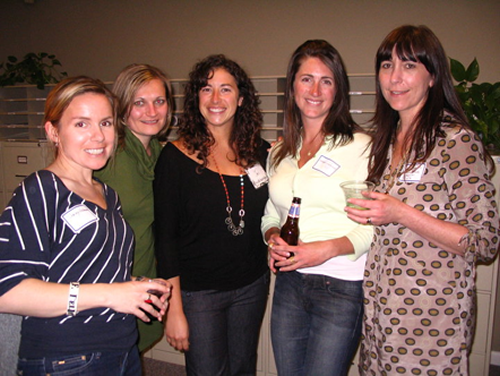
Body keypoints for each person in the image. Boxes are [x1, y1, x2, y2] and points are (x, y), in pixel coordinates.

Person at [344, 25, 500, 375]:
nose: (395, 78)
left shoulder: (455, 140)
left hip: (431, 320)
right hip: (382, 311)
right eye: (387, 66)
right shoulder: (386, 140)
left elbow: (485, 241)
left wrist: (399, 212)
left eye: (409, 65)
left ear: (432, 76)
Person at [0, 76, 171, 376]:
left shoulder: (107, 194)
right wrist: (111, 295)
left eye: (105, 123)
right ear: (53, 132)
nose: (98, 136)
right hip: (66, 358)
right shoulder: (41, 189)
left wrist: (134, 286)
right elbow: (8, 291)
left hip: (121, 348)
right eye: (82, 124)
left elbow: (84, 270)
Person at [261, 40, 373, 376]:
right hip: (289, 285)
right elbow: (270, 210)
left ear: (338, 90)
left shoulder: (360, 146)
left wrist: (322, 251)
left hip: (340, 286)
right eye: (306, 78)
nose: (315, 89)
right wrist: (272, 236)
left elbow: (371, 227)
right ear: (292, 85)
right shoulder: (279, 153)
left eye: (327, 80)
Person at [154, 54, 270, 376]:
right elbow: (165, 239)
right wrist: (173, 310)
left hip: (252, 285)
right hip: (199, 293)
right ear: (196, 98)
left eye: (226, 89)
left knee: (244, 368)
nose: (216, 99)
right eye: (206, 89)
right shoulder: (174, 158)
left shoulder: (260, 151)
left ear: (241, 98)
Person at [95, 63, 173, 352]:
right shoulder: (107, 153)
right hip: (109, 285)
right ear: (123, 107)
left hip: (144, 275)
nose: (151, 112)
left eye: (159, 101)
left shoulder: (163, 154)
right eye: (139, 102)